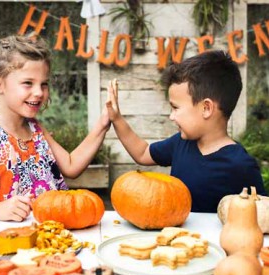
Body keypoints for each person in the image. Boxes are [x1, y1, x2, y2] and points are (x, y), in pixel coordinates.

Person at [0, 35, 110, 221]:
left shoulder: (35, 129)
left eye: (44, 84)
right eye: (28, 83)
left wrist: (103, 124)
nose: (39, 92)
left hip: (46, 239)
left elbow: (71, 165)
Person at [106, 50, 267, 213]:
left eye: (175, 107)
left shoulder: (241, 165)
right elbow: (142, 153)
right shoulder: (180, 143)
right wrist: (117, 119)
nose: (171, 116)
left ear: (206, 108)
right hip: (178, 237)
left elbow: (262, 213)